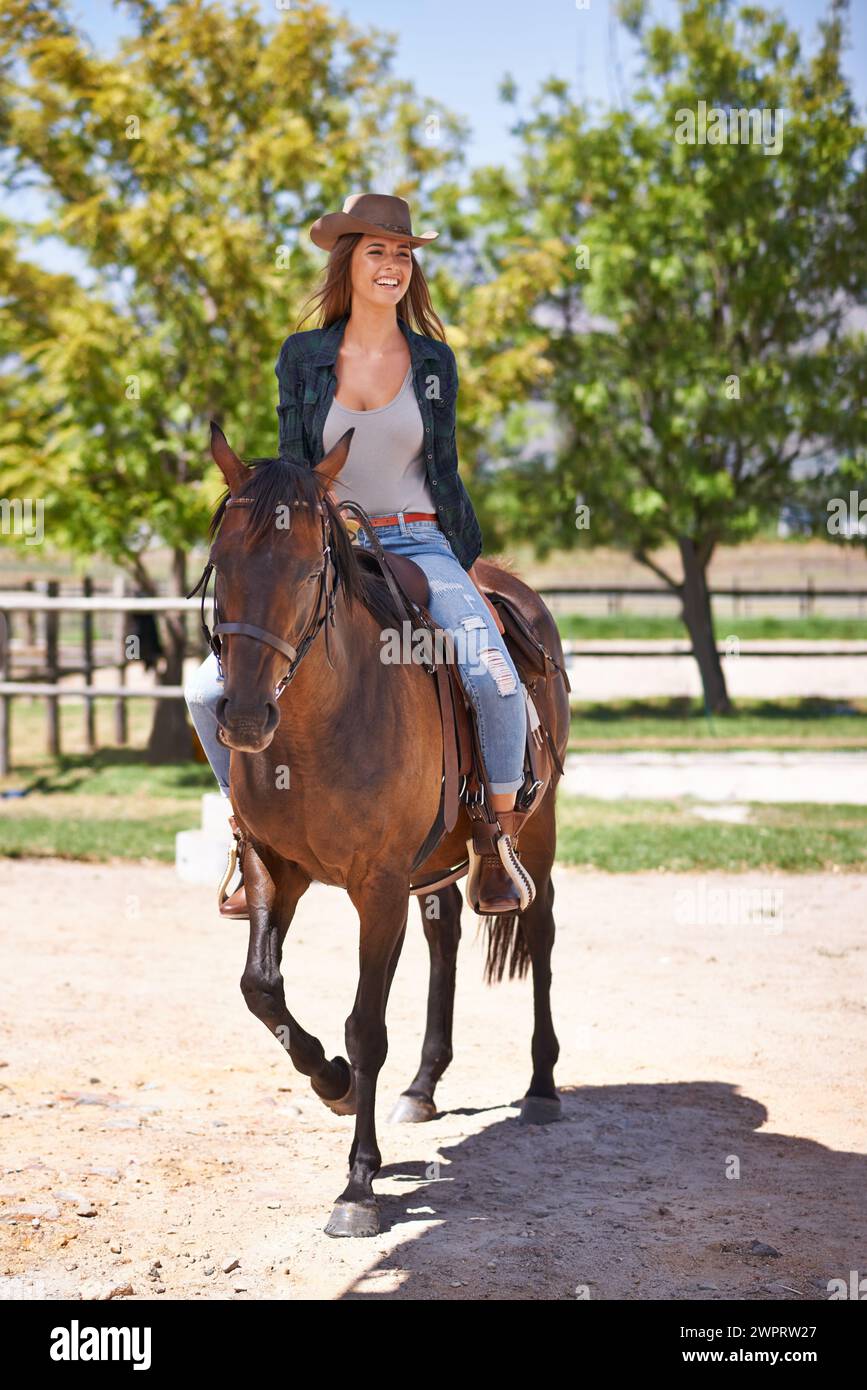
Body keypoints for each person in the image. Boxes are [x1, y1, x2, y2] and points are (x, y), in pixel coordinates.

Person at [185, 192, 534, 919]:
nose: (393, 265)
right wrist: (307, 525)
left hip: (416, 537)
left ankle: (493, 844)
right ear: (348, 261)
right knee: (200, 691)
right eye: (377, 251)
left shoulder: (433, 360)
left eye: (403, 253)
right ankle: (247, 835)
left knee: (494, 679)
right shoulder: (304, 357)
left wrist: (462, 562)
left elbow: (446, 468)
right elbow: (290, 463)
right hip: (326, 542)